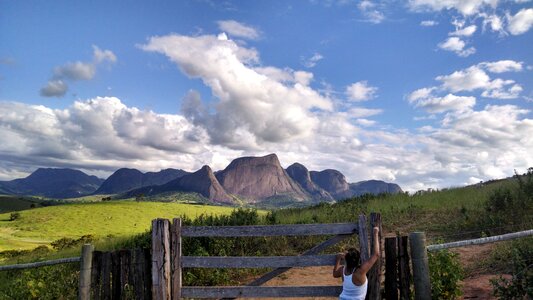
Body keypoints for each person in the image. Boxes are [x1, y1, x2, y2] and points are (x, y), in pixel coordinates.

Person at [333, 227, 380, 300]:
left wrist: (338, 259)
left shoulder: (343, 270)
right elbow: (376, 254)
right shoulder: (360, 271)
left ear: (346, 259)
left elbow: (335, 274)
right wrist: (375, 233)